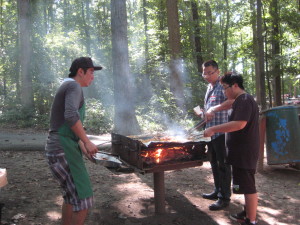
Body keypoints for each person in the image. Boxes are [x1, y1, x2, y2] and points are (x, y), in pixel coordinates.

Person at [45, 57, 102, 225]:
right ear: (80, 71)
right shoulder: (73, 86)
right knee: (83, 196)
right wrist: (88, 141)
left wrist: (86, 149)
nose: (93, 76)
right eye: (91, 72)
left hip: (58, 148)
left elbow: (70, 129)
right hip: (63, 148)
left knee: (70, 197)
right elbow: (70, 117)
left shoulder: (67, 85)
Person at [204, 72, 259, 225]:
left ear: (235, 85)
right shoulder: (239, 99)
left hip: (245, 151)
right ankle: (247, 212)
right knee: (244, 184)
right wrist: (212, 109)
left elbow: (239, 124)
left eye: (225, 88)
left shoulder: (245, 100)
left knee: (248, 187)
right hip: (240, 151)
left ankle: (251, 220)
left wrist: (214, 129)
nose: (224, 92)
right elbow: (227, 104)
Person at [200, 60, 233, 210]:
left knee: (223, 165)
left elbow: (232, 102)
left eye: (209, 73)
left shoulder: (223, 86)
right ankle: (217, 190)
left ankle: (224, 197)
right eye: (204, 73)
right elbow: (209, 109)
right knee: (214, 163)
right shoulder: (209, 87)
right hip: (210, 133)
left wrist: (213, 109)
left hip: (222, 133)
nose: (206, 76)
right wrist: (204, 113)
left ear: (217, 71)